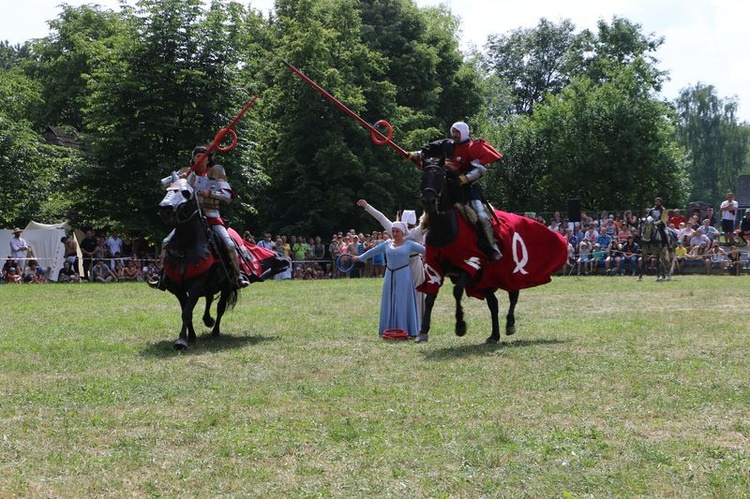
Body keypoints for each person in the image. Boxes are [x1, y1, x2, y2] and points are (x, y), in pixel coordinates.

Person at [151, 145, 250, 289]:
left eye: (205, 156)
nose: (201, 159)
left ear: (209, 159)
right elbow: (163, 185)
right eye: (198, 156)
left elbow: (228, 197)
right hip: (190, 219)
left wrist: (209, 193)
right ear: (193, 158)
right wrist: (177, 179)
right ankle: (162, 275)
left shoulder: (216, 174)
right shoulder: (187, 174)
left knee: (228, 245)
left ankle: (237, 276)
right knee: (166, 242)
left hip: (211, 216)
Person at [352, 221, 426, 338]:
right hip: (389, 275)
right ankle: (387, 328)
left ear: (403, 232)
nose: (395, 233)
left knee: (402, 301)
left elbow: (426, 250)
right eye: (393, 231)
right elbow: (372, 251)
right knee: (389, 301)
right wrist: (359, 257)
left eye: (397, 231)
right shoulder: (387, 244)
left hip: (404, 276)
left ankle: (407, 329)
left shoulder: (409, 244)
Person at [358, 199, 426, 314]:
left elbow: (381, 217)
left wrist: (367, 206)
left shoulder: (396, 229)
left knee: (401, 293)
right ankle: (416, 321)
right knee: (416, 293)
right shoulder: (416, 231)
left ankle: (403, 321)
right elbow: (429, 220)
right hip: (412, 264)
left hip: (405, 264)